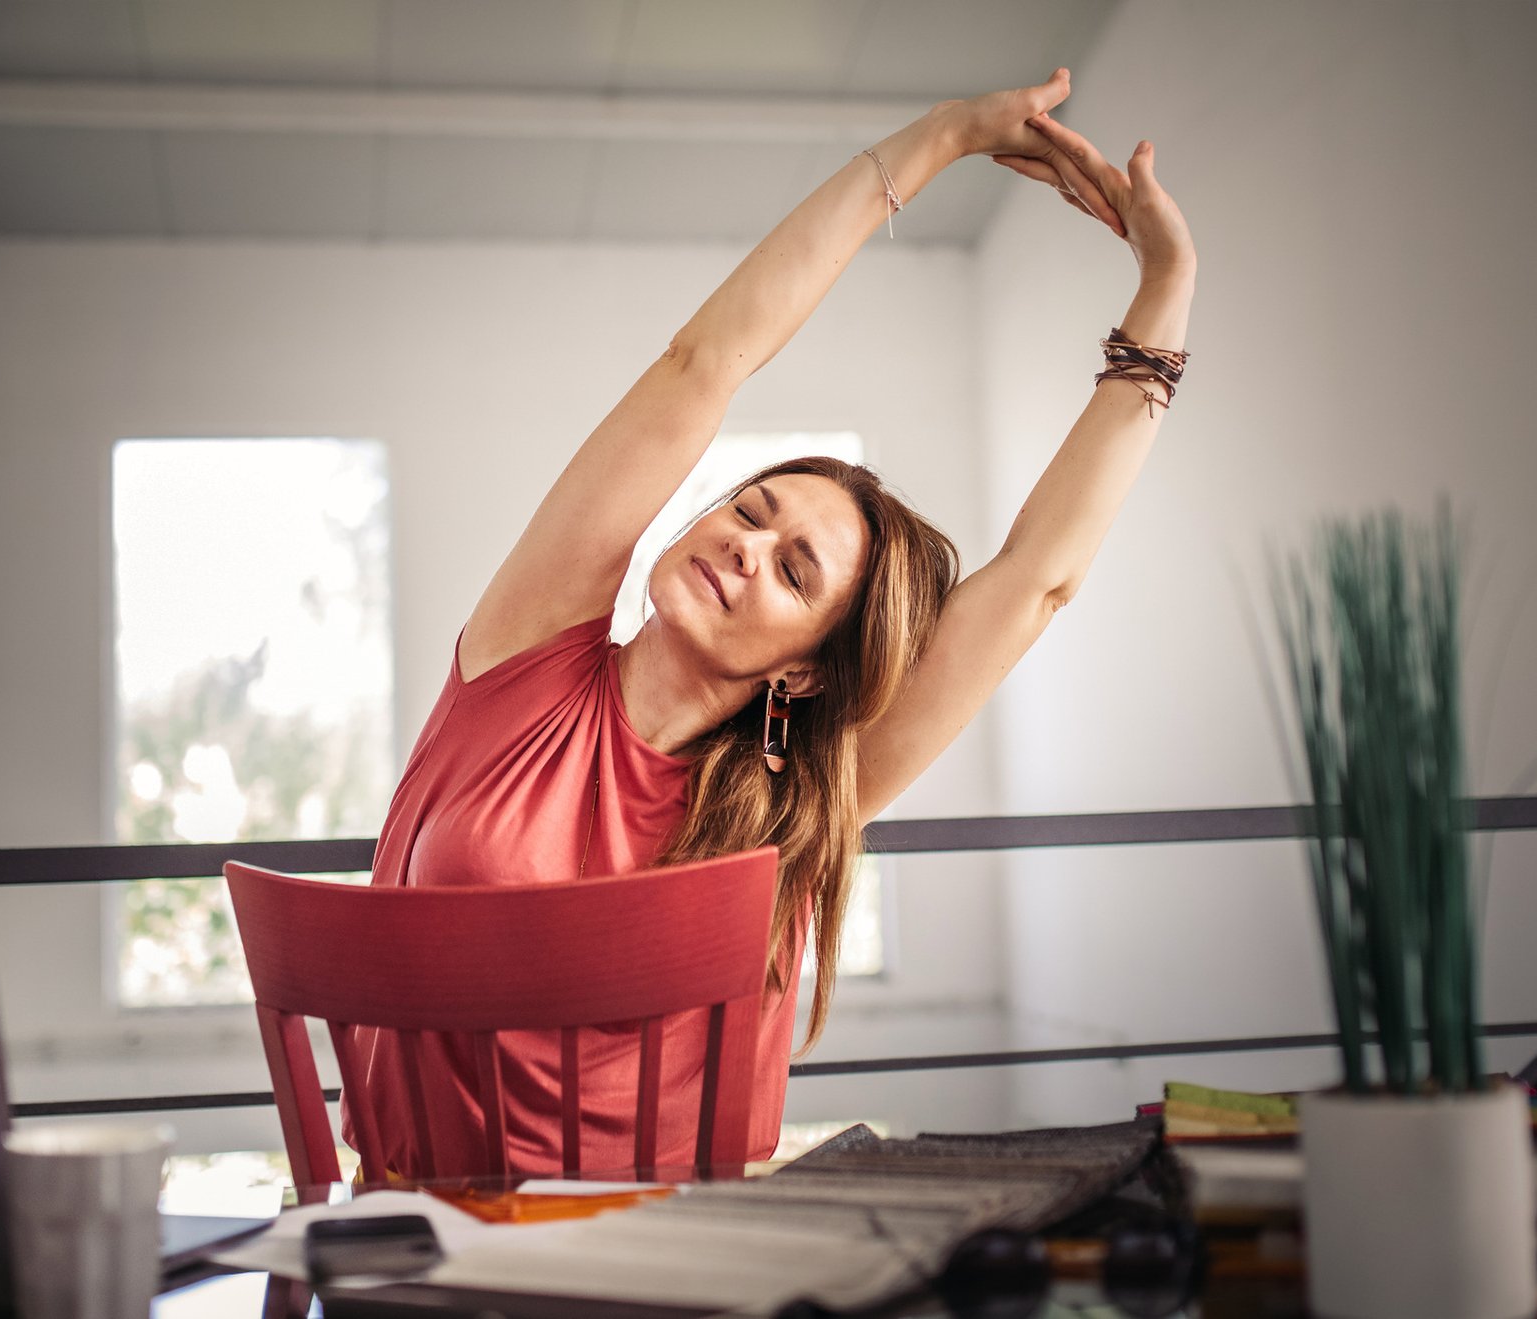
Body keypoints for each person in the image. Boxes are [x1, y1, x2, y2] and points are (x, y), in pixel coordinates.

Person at [348, 68, 1198, 1176]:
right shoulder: (524, 660)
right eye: (747, 510)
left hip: (682, 1270)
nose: (743, 545)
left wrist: (1167, 283)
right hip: (426, 1262)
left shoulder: (794, 808)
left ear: (801, 673)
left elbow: (1035, 578)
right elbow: (706, 363)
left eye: (792, 570)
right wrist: (935, 139)